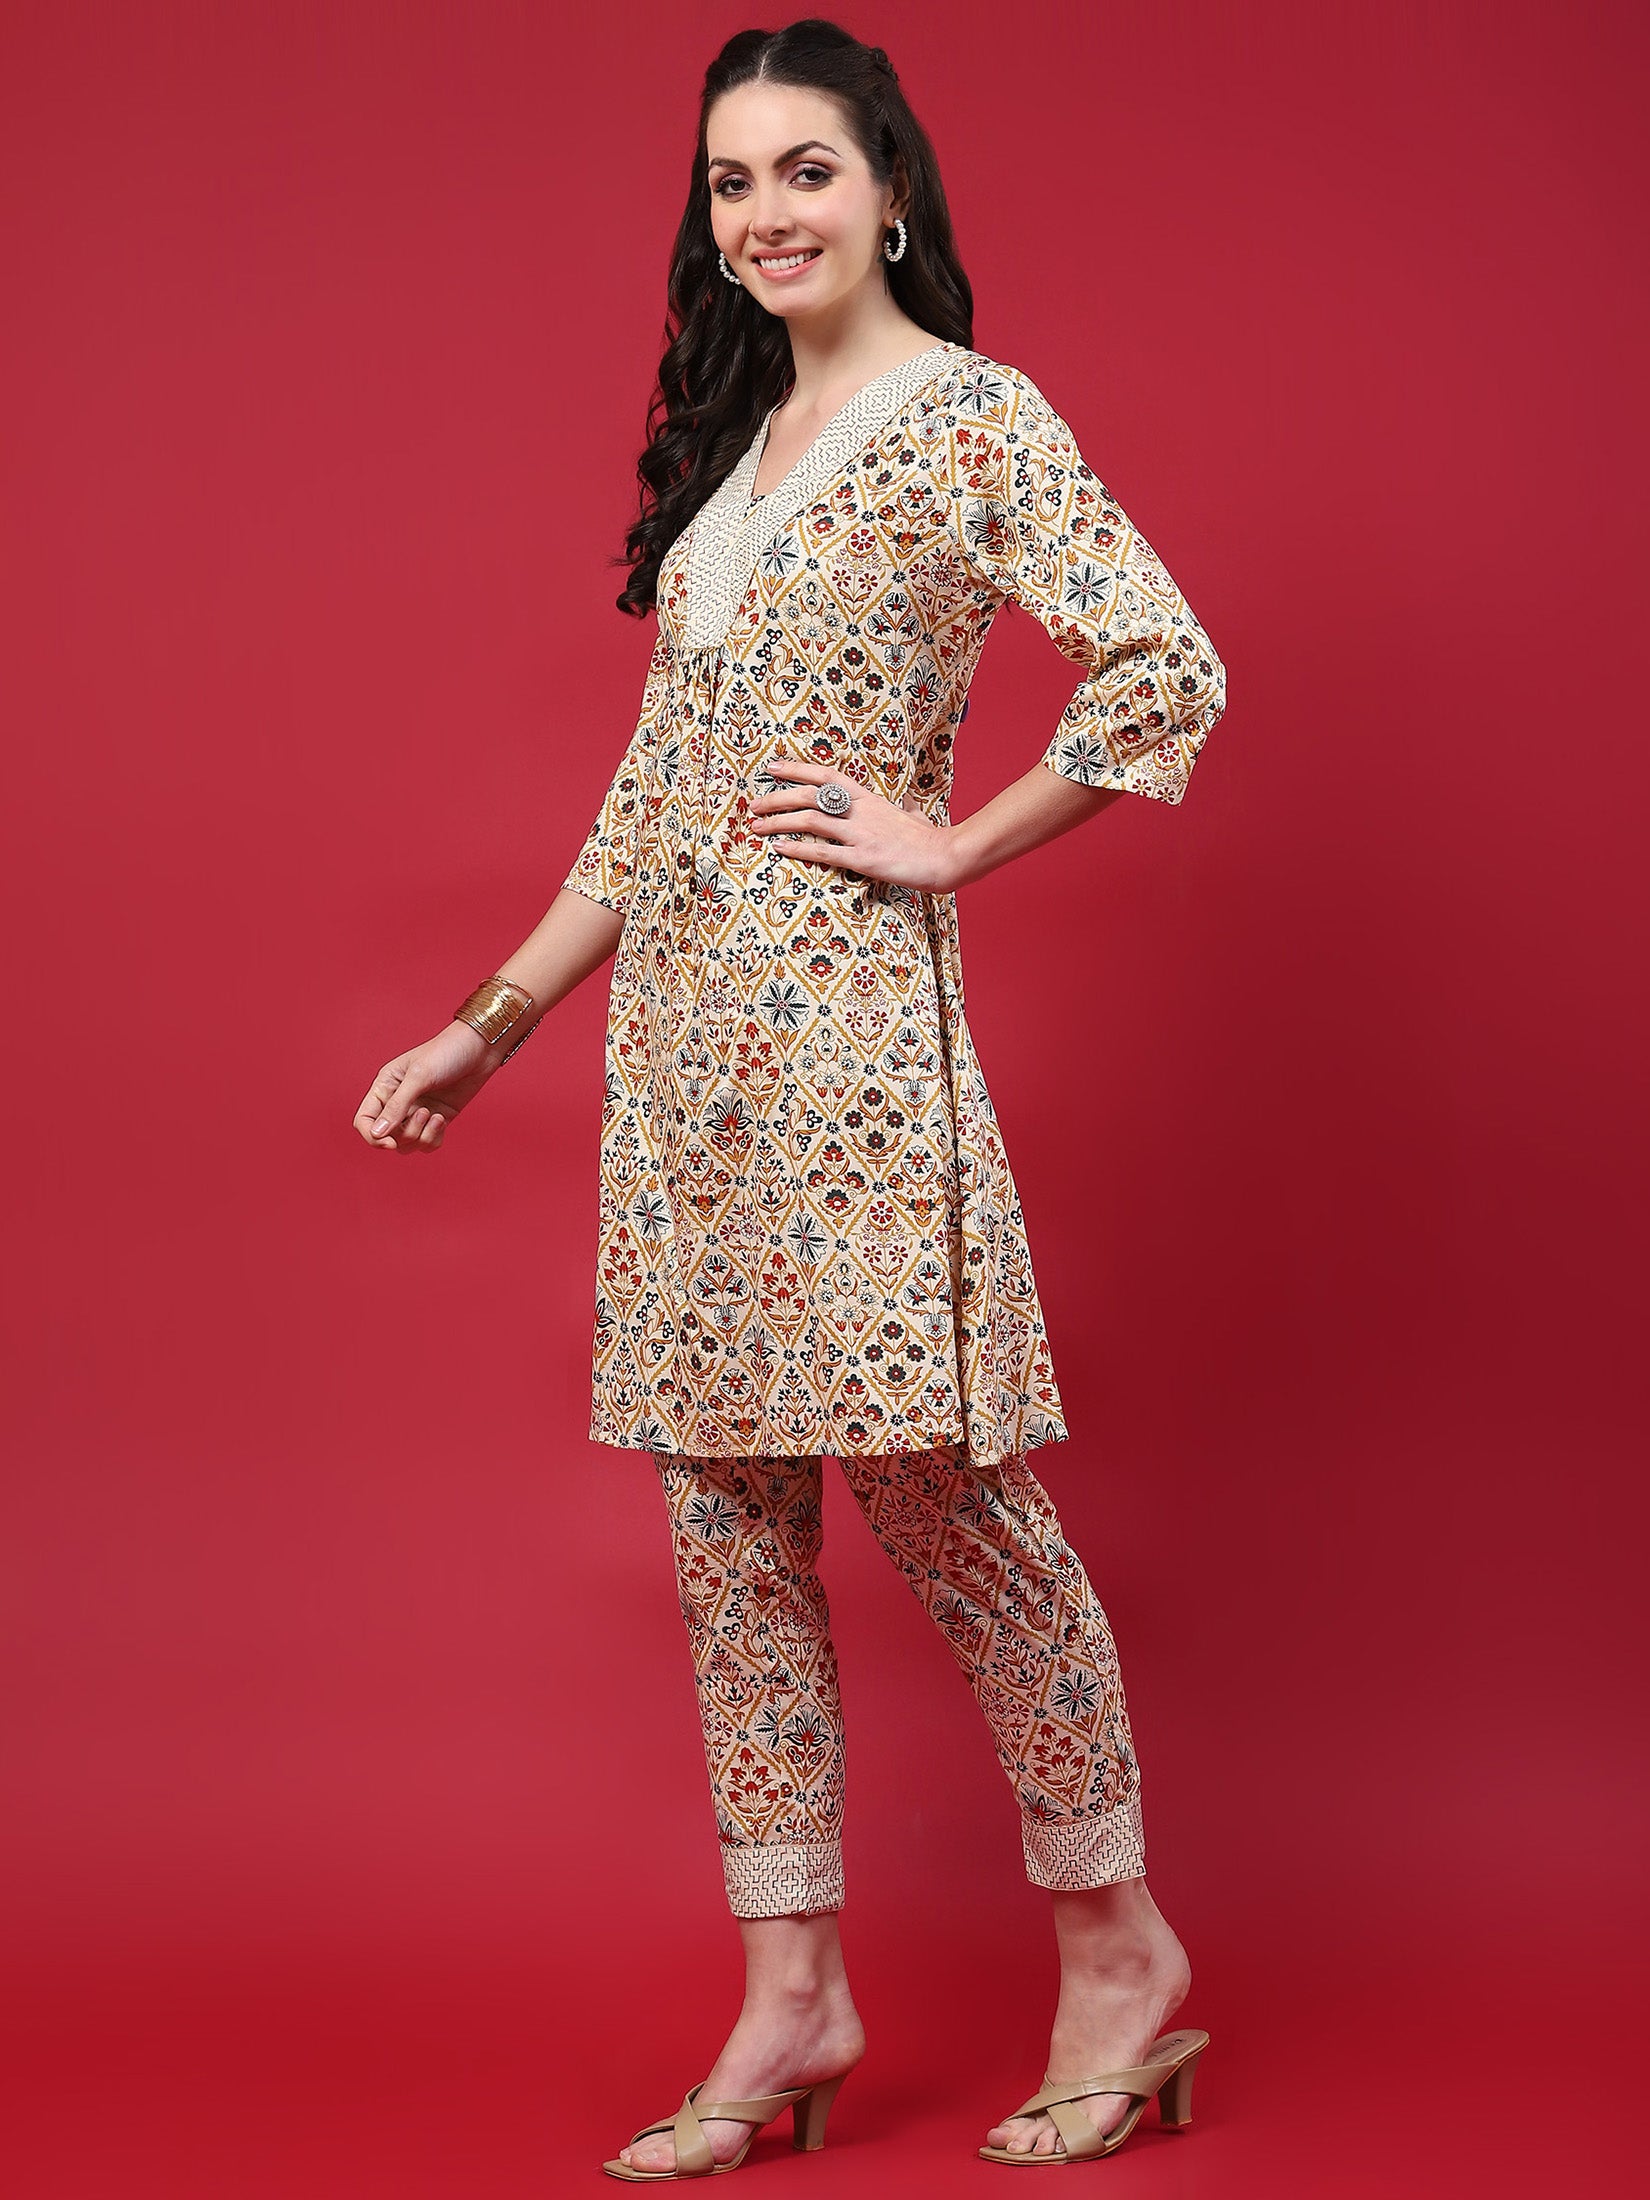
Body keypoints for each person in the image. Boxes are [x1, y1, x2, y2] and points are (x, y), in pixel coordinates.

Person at [353, 18, 1225, 2179]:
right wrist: (492, 1021)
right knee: (728, 1530)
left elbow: (1163, 662)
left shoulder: (973, 420)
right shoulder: (738, 462)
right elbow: (652, 799)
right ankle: (794, 1992)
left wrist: (956, 838)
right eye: (730, 180)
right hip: (681, 1075)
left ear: (891, 188)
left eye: (805, 170)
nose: (764, 213)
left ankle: (1121, 1957)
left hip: (847, 1057)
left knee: (951, 1507)